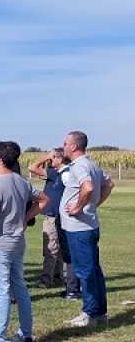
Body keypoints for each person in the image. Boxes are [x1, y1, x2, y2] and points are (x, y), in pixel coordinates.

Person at [0, 141, 47, 342]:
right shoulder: (22, 181)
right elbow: (44, 199)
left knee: (0, 292)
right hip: (17, 242)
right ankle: (25, 334)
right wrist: (25, 219)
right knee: (19, 287)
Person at [60, 131, 114, 327]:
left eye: (65, 143)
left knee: (85, 271)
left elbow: (89, 187)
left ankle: (89, 313)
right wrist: (93, 205)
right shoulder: (92, 164)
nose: (63, 146)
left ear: (74, 146)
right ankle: (99, 312)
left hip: (79, 228)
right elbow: (109, 184)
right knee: (93, 270)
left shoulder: (80, 165)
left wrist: (79, 207)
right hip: (87, 225)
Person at [28, 149, 77, 293]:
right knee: (59, 248)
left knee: (50, 248)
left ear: (59, 158)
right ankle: (57, 276)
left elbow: (32, 167)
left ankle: (46, 279)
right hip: (60, 215)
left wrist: (45, 157)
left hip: (53, 215)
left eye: (53, 157)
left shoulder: (57, 173)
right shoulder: (63, 172)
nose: (50, 160)